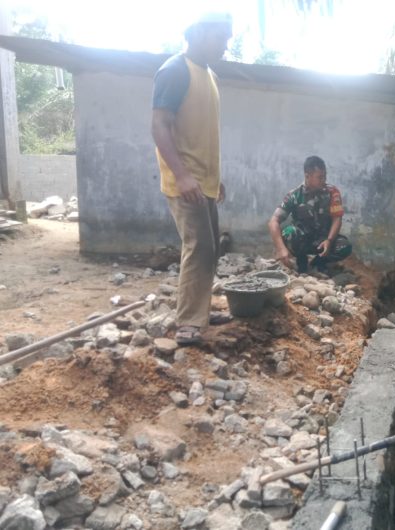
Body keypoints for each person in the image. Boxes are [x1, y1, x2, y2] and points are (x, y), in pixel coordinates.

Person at [151, 13, 232, 345]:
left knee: (210, 249)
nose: (226, 45)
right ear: (199, 31)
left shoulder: (209, 75)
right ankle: (188, 321)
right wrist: (182, 176)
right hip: (186, 182)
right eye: (222, 37)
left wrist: (215, 177)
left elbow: (203, 133)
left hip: (204, 181)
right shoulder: (175, 70)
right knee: (198, 247)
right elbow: (160, 125)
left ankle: (200, 312)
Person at [268, 156, 352, 274]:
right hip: (303, 240)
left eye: (325, 176)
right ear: (307, 176)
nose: (324, 180)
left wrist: (329, 240)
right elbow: (273, 221)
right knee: (289, 233)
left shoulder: (332, 192)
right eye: (320, 177)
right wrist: (281, 249)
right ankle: (301, 262)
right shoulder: (295, 195)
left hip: (324, 241)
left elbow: (337, 218)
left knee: (344, 247)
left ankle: (318, 263)